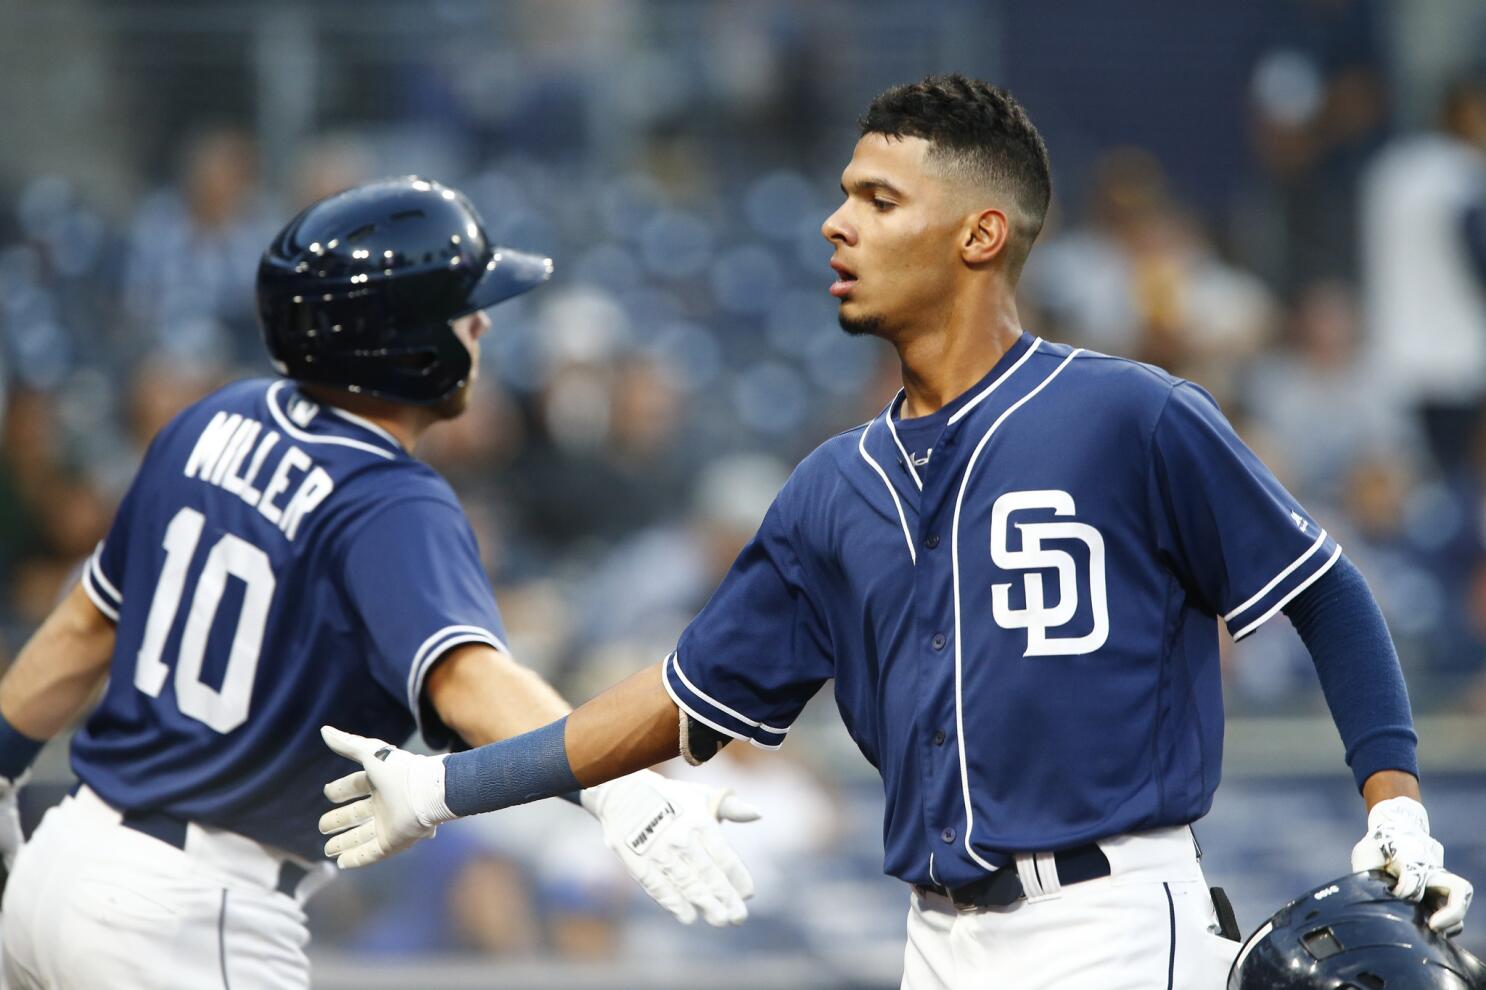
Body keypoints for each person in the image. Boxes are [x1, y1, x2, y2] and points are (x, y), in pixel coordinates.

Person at [320, 78, 1476, 989]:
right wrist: (448, 788)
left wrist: (1396, 804)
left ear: (979, 235)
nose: (836, 223)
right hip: (935, 939)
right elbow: (675, 703)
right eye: (841, 194)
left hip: (1116, 918)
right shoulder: (832, 486)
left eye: (878, 200)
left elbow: (1326, 592)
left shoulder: (1132, 415)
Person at [0, 176, 758, 990]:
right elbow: (472, 682)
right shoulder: (389, 495)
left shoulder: (210, 419)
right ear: (408, 341)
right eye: (465, 306)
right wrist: (618, 790)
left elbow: (83, 626)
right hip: (191, 911)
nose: (482, 323)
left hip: (58, 865)